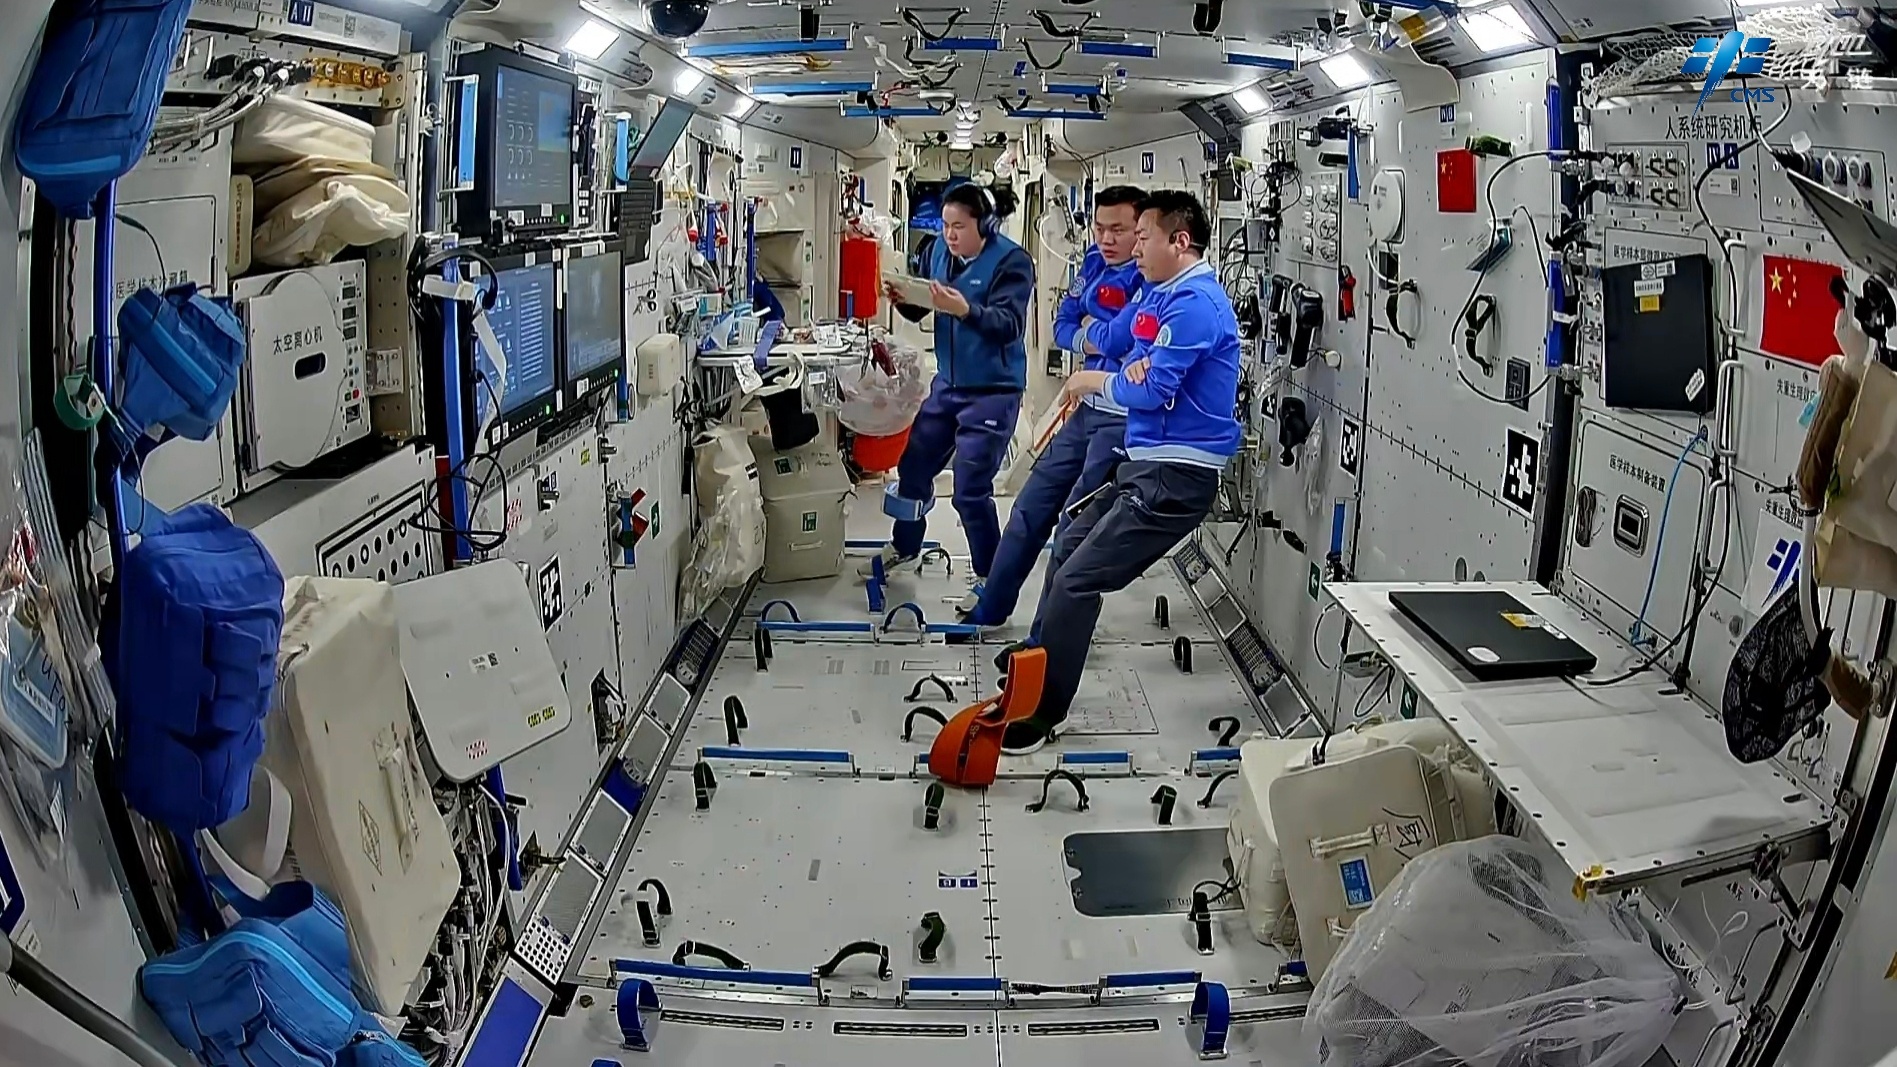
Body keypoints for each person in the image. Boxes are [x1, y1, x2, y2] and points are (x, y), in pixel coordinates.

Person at [1001, 190, 1244, 755]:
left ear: (1179, 242)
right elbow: (1135, 360)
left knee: (1078, 580)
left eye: (1143, 238)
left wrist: (1093, 380)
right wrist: (1134, 374)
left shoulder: (1194, 305)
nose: (1133, 250)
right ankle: (1038, 660)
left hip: (1173, 479)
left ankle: (1044, 712)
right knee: (1068, 543)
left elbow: (1149, 387)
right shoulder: (1165, 295)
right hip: (1144, 466)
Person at [956, 185, 1148, 630]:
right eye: (1099, 227)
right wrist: (1094, 334)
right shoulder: (1093, 263)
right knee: (1029, 506)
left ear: (1141, 231)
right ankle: (993, 606)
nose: (1106, 238)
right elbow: (1062, 327)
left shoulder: (1149, 280)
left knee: (1074, 530)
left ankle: (1047, 639)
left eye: (1118, 230)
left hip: (1124, 421)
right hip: (1088, 410)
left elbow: (1119, 338)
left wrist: (1093, 330)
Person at [861, 182, 1035, 580]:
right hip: (949, 384)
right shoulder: (939, 251)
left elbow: (1008, 326)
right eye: (945, 225)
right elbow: (924, 308)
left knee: (970, 491)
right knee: (913, 469)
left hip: (993, 392)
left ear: (985, 225)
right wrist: (904, 298)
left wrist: (964, 309)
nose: (950, 235)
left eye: (959, 226)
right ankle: (906, 547)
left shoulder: (1012, 262)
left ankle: (990, 578)